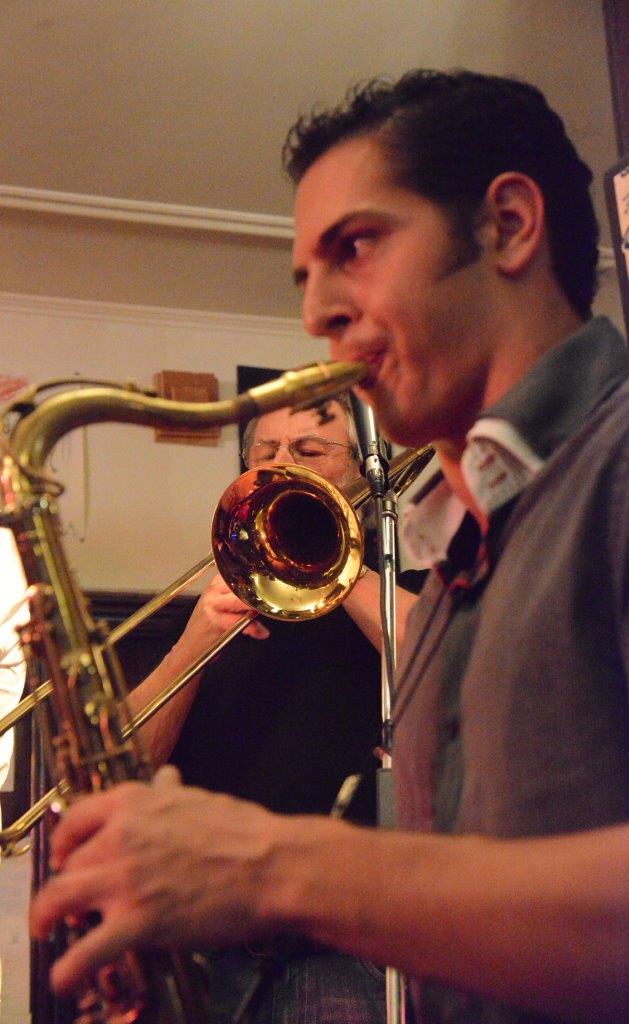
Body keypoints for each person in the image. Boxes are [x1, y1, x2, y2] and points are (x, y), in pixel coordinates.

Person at [30, 69, 628, 1024]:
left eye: (355, 247)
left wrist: (276, 869)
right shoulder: (474, 540)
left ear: (510, 225)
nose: (316, 315)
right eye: (305, 277)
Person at [119, 393, 422, 1024]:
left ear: (364, 472)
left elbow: (448, 666)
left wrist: (338, 565)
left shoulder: (401, 593)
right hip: (198, 937)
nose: (284, 462)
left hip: (338, 942)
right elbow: (123, 766)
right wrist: (194, 644)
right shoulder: (208, 609)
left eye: (309, 450)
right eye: (266, 451)